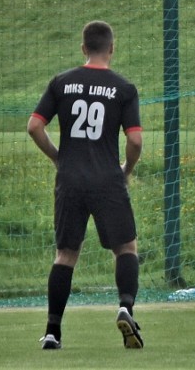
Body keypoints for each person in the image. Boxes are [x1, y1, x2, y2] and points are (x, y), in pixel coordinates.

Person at [27, 21, 144, 349]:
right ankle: (125, 307)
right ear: (112, 48)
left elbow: (34, 126)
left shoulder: (61, 83)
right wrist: (127, 169)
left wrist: (57, 157)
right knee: (125, 248)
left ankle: (52, 332)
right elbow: (134, 140)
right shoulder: (123, 88)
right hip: (107, 178)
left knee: (65, 254)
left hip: (71, 179)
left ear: (83, 49)